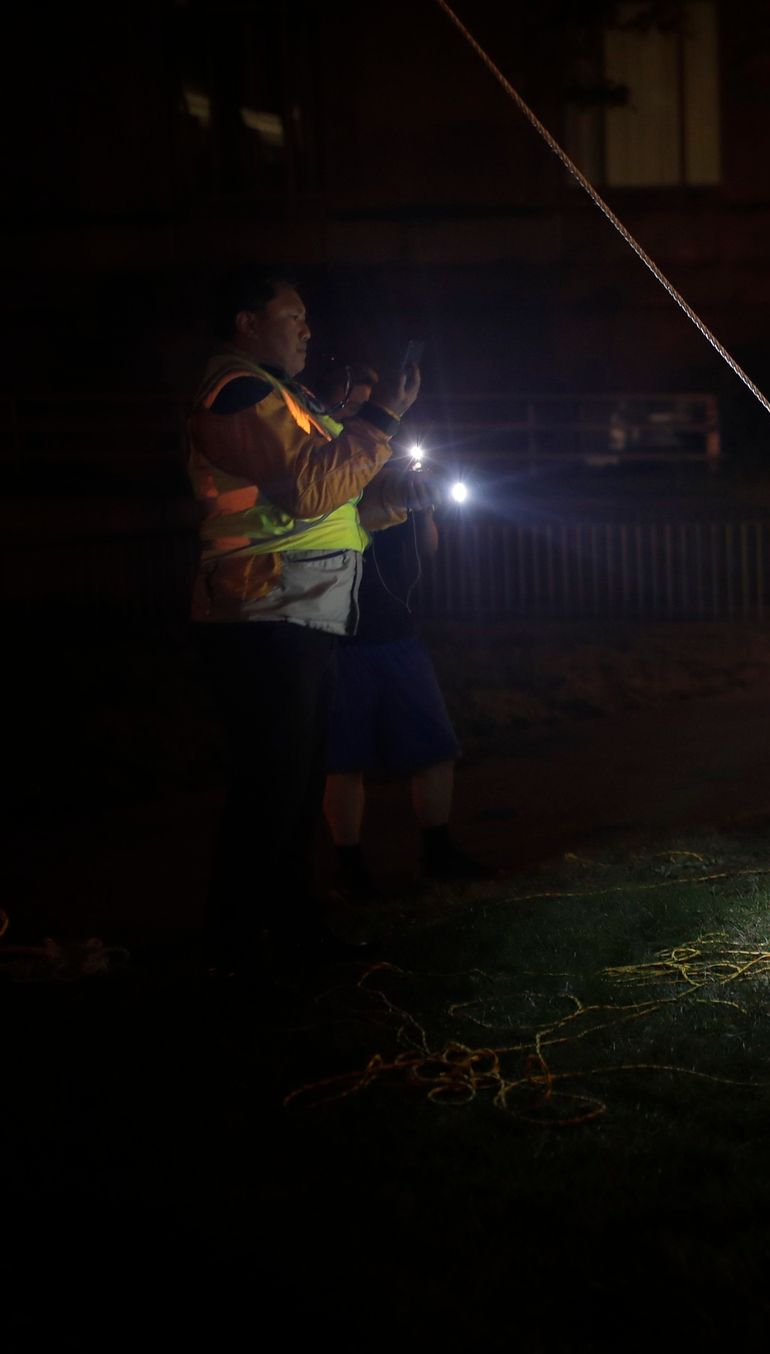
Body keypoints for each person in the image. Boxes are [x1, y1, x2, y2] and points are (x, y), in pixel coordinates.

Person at [186, 268, 431, 962]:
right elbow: (309, 490)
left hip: (295, 612)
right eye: (291, 317)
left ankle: (288, 927)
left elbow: (337, 506)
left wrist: (400, 503)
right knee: (271, 786)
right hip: (261, 612)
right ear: (246, 323)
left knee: (293, 786)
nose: (307, 329)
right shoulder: (238, 391)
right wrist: (381, 417)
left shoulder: (281, 397)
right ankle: (235, 944)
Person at [324, 492, 495, 896]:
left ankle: (437, 853)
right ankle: (350, 868)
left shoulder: (400, 480)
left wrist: (424, 507)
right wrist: (388, 504)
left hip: (399, 633)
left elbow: (427, 547)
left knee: (435, 749)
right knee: (344, 761)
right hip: (341, 637)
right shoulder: (335, 471)